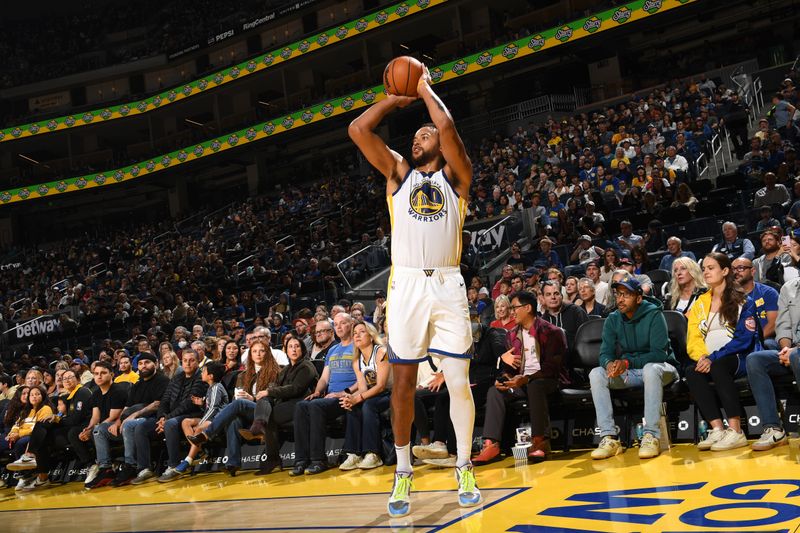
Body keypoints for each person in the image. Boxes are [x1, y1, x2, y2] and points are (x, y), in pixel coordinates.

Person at [349, 65, 481, 516]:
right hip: (404, 282)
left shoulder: (457, 178)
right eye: (415, 136)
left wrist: (422, 88)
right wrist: (393, 99)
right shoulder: (398, 175)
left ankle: (464, 464)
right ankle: (403, 471)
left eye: (424, 136)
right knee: (402, 382)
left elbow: (446, 126)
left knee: (459, 380)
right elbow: (358, 128)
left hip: (447, 281)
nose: (417, 139)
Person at [589, 276, 680, 460]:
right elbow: (604, 353)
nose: (620, 299)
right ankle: (609, 437)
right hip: (633, 373)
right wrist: (609, 364)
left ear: (638, 298)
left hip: (663, 369)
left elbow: (659, 354)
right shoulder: (613, 319)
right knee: (596, 374)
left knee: (650, 369)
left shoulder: (654, 314)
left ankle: (651, 435)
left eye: (626, 295)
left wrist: (627, 363)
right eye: (618, 294)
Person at [472, 291, 566, 464]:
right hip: (522, 382)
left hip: (548, 381)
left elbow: (552, 368)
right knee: (495, 391)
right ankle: (491, 444)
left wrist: (526, 378)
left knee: (535, 385)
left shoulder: (552, 332)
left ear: (528, 308)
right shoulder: (511, 335)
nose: (511, 311)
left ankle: (540, 441)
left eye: (514, 307)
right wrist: (505, 378)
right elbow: (509, 367)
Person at [685, 253, 761, 452]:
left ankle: (736, 431)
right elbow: (693, 336)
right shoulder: (700, 302)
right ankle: (717, 429)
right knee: (691, 371)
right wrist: (702, 357)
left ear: (725, 271)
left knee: (718, 366)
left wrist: (713, 357)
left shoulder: (744, 301)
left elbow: (743, 341)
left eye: (711, 268)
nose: (706, 272)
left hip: (739, 358)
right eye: (704, 268)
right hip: (709, 358)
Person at [187, 340, 279, 476]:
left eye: (262, 350)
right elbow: (237, 397)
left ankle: (207, 434)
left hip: (266, 411)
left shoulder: (275, 371)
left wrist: (251, 398)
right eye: (254, 351)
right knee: (233, 419)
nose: (258, 354)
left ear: (268, 353)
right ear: (250, 355)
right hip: (247, 411)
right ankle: (233, 463)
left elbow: (272, 396)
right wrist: (240, 398)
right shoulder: (242, 375)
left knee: (238, 404)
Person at [289, 313, 357, 476]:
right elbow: (325, 377)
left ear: (351, 324)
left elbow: (363, 379)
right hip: (330, 397)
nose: (339, 327)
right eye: (337, 324)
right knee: (301, 405)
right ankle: (301, 460)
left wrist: (342, 393)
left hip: (347, 397)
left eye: (343, 323)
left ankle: (318, 460)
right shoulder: (333, 350)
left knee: (316, 406)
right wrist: (317, 392)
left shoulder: (357, 346)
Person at [246, 337, 317, 476]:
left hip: (302, 403)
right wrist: (268, 392)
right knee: (264, 399)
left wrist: (269, 391)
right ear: (286, 350)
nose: (294, 349)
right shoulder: (285, 370)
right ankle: (260, 422)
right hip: (286, 403)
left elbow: (295, 389)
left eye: (297, 346)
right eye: (290, 347)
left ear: (302, 349)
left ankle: (272, 457)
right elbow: (276, 387)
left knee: (269, 413)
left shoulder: (306, 366)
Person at [8, 370, 93, 486]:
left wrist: (56, 418)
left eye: (70, 377)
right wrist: (55, 417)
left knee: (49, 427)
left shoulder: (82, 392)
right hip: (70, 427)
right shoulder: (69, 396)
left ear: (78, 379)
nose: (67, 380)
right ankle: (40, 473)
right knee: (43, 428)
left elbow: (75, 420)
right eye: (64, 379)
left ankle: (91, 465)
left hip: (83, 428)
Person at [746, 275, 800, 451]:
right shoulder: (788, 288)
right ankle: (773, 429)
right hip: (793, 349)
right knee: (755, 360)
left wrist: (793, 353)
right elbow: (783, 326)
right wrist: (785, 349)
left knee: (796, 356)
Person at [108, 353, 170, 486]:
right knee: (99, 430)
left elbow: (158, 404)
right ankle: (105, 468)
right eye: (140, 363)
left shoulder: (162, 380)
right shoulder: (137, 384)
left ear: (156, 363)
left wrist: (135, 415)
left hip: (155, 417)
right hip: (136, 418)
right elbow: (127, 407)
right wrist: (118, 421)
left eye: (147, 362)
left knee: (131, 425)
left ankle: (136, 466)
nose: (143, 366)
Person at [339, 321, 392, 470]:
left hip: (391, 393)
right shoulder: (357, 361)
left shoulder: (381, 352)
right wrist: (351, 399)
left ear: (371, 335)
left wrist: (359, 398)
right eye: (354, 333)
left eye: (361, 332)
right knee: (352, 406)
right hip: (374, 394)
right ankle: (354, 454)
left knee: (368, 405)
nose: (357, 335)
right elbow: (362, 388)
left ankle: (373, 454)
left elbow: (381, 385)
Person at [166, 361, 228, 480]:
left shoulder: (216, 387)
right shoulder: (211, 388)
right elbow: (209, 406)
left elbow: (214, 409)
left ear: (211, 376)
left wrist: (201, 422)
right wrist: (202, 403)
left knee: (198, 428)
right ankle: (199, 451)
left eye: (204, 371)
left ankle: (188, 461)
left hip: (218, 419)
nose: (202, 373)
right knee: (186, 422)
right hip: (210, 417)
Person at [154, 349, 208, 482]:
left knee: (171, 424)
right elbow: (165, 399)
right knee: (139, 427)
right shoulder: (176, 378)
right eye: (185, 360)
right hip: (172, 416)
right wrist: (161, 417)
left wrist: (167, 418)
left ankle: (174, 465)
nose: (188, 363)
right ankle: (143, 468)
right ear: (181, 362)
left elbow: (189, 404)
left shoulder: (201, 377)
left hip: (193, 415)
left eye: (192, 360)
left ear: (198, 362)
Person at [83, 362, 128, 489]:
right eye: (96, 374)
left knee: (97, 431)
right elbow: (95, 416)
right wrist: (88, 428)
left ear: (112, 374)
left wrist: (95, 429)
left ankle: (105, 468)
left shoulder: (118, 390)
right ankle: (95, 465)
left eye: (103, 373)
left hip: (119, 426)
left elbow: (113, 417)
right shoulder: (96, 393)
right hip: (105, 427)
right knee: (85, 432)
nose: (99, 376)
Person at [5, 385, 53, 491]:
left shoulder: (45, 409)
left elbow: (38, 428)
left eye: (37, 394)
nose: (34, 397)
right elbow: (16, 425)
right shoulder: (25, 411)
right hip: (22, 436)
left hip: (36, 437)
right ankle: (24, 475)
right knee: (15, 442)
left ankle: (26, 473)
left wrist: (19, 434)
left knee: (21, 442)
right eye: (31, 395)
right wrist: (12, 434)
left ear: (43, 396)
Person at [539, 280, 589, 367]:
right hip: (552, 367)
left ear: (561, 296)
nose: (553, 297)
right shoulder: (542, 321)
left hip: (576, 364)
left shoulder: (576, 312)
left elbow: (586, 342)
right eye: (548, 294)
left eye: (556, 293)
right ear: (543, 298)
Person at [732, 257, 779, 350]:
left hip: (765, 338)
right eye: (733, 269)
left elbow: (773, 324)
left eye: (740, 268)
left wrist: (753, 341)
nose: (735, 272)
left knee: (768, 344)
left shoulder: (768, 292)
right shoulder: (728, 296)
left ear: (752, 271)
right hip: (737, 341)